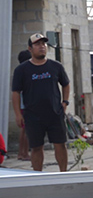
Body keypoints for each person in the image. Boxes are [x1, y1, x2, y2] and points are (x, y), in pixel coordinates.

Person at [11, 33, 70, 172]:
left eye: (43, 44)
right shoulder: (22, 70)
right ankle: (38, 176)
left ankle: (64, 174)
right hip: (33, 116)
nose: (41, 47)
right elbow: (16, 93)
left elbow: (66, 84)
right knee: (36, 147)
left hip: (54, 113)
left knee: (60, 144)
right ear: (30, 48)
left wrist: (65, 102)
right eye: (37, 44)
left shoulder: (56, 66)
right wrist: (18, 114)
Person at [16, 49, 32, 161]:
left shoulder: (20, 72)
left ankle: (21, 153)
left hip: (23, 105)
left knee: (23, 130)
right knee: (27, 130)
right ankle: (24, 153)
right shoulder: (25, 72)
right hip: (26, 105)